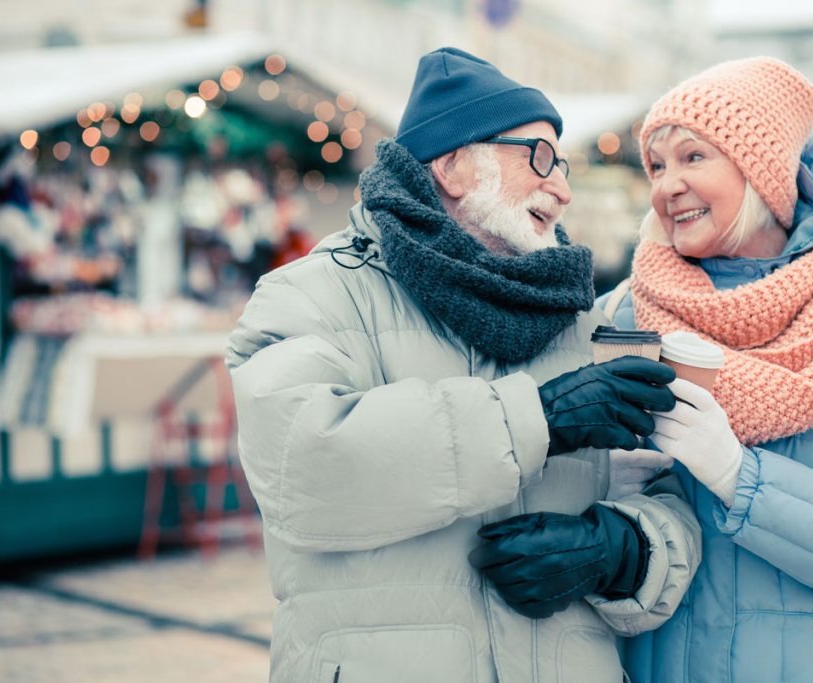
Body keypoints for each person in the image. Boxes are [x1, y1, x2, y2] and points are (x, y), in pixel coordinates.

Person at [226, 47, 701, 683]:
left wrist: (619, 551)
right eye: (539, 157)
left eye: (563, 165)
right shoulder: (312, 296)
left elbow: (668, 490)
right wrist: (537, 419)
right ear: (453, 165)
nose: (561, 189)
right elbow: (303, 470)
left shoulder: (591, 320)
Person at [596, 56, 813, 682]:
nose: (666, 185)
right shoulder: (624, 317)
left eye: (692, 157)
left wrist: (738, 474)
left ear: (761, 171)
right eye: (657, 165)